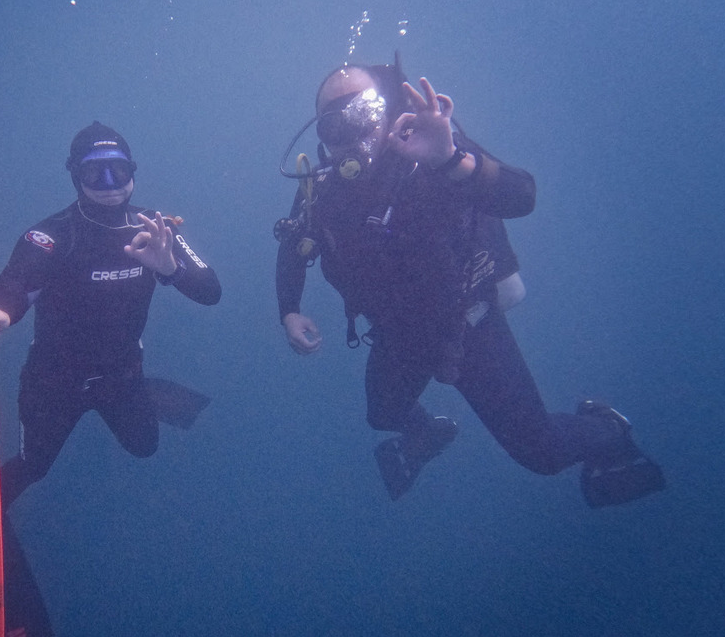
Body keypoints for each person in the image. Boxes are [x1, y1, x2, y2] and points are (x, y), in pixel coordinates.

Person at [274, 60, 664, 507]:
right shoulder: (322, 190)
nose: (350, 131)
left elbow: (522, 195)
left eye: (361, 111)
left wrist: (451, 159)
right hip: (399, 335)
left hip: (466, 327)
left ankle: (607, 428)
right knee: (382, 415)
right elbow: (293, 245)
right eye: (333, 122)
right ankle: (428, 432)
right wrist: (289, 308)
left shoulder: (431, 158)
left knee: (542, 453)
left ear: (389, 110)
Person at [0, 121, 221, 637]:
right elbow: (17, 282)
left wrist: (169, 267)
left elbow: (210, 290)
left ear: (133, 172)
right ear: (74, 178)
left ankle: (148, 391)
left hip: (122, 377)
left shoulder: (157, 230)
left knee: (145, 448)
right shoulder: (53, 234)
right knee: (34, 467)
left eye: (117, 169)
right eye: (93, 171)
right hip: (55, 381)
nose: (108, 182)